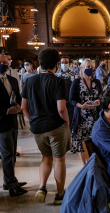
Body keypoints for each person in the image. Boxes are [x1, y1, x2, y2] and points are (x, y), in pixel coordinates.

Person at [21, 48, 71, 204]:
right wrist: (67, 121)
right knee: (59, 160)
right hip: (55, 126)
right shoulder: (58, 81)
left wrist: (32, 121)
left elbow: (23, 107)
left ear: (40, 63)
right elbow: (61, 108)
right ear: (57, 64)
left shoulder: (29, 81)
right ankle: (60, 194)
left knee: (45, 158)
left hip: (37, 128)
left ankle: (42, 187)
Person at [0, 54, 28, 197]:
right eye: (1, 62)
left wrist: (17, 105)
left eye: (6, 62)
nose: (4, 64)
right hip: (1, 123)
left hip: (12, 121)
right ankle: (12, 186)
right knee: (6, 155)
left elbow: (15, 96)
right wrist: (6, 110)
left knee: (12, 153)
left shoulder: (11, 79)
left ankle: (9, 180)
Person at [69, 59, 102, 165]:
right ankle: (84, 165)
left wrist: (99, 101)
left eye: (91, 67)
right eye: (87, 67)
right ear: (82, 68)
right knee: (82, 143)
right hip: (82, 116)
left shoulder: (96, 82)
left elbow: (102, 96)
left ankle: (93, 163)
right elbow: (72, 99)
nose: (90, 69)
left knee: (94, 141)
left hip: (95, 115)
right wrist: (81, 106)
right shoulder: (76, 82)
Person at [55, 56, 78, 129]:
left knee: (71, 122)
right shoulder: (56, 76)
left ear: (69, 64)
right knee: (61, 123)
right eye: (62, 63)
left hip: (71, 102)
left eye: (66, 62)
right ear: (59, 64)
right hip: (60, 102)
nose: (64, 64)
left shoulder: (75, 75)